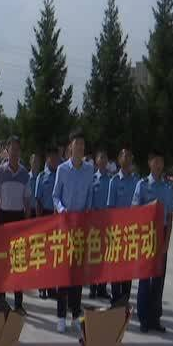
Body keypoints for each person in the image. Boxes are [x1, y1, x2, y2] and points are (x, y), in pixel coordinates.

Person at [52, 129, 94, 333]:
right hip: (65, 228)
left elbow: (90, 197)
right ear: (70, 147)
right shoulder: (62, 169)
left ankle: (76, 314)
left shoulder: (89, 170)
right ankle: (61, 315)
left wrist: (87, 213)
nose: (80, 148)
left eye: (82, 145)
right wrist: (62, 210)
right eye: (77, 144)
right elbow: (55, 196)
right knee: (62, 274)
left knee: (77, 274)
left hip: (81, 229)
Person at [132, 149, 173, 334]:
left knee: (158, 278)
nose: (158, 165)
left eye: (161, 161)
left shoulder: (167, 188)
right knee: (144, 278)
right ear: (150, 163)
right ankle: (143, 317)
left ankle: (155, 317)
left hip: (162, 233)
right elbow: (134, 211)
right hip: (146, 234)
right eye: (155, 161)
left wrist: (166, 241)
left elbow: (170, 216)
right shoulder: (142, 185)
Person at [0, 136, 30, 313]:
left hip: (19, 218)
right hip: (4, 218)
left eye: (17, 149)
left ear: (20, 151)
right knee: (2, 261)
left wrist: (27, 224)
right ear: (7, 151)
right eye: (11, 149)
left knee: (19, 262)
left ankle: (19, 303)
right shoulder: (0, 172)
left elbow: (27, 200)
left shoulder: (24, 173)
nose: (14, 152)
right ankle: (1, 300)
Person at [107, 147, 139, 304]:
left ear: (132, 160)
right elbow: (110, 208)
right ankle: (115, 298)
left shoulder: (137, 182)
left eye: (129, 156)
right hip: (116, 230)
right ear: (119, 160)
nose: (126, 159)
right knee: (116, 266)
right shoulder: (114, 181)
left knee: (128, 266)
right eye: (124, 156)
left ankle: (125, 298)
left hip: (131, 231)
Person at [34, 145, 60, 299]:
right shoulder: (42, 176)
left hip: (57, 216)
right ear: (47, 158)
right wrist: (38, 222)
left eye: (56, 157)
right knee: (43, 254)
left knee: (54, 254)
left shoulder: (61, 175)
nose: (54, 160)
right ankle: (42, 286)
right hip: (44, 215)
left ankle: (52, 287)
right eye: (52, 157)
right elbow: (37, 201)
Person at [89, 149, 111, 300]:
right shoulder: (92, 179)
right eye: (100, 157)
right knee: (94, 255)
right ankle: (92, 287)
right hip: (94, 221)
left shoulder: (111, 180)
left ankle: (102, 287)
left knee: (106, 256)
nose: (102, 160)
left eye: (105, 157)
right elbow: (89, 200)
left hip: (107, 221)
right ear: (96, 161)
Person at [27, 153, 42, 219]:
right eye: (34, 162)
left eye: (38, 162)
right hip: (29, 210)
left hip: (40, 211)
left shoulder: (42, 178)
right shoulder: (26, 178)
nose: (36, 164)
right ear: (30, 162)